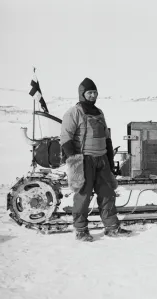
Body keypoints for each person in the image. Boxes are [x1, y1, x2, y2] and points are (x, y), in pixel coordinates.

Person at [60, 77, 131, 241]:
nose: (92, 95)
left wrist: (110, 161)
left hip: (102, 160)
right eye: (89, 93)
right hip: (83, 160)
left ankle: (112, 227)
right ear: (82, 94)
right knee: (83, 195)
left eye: (94, 93)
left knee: (107, 194)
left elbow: (106, 137)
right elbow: (65, 138)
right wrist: (74, 162)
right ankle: (80, 229)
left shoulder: (99, 112)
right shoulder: (74, 112)